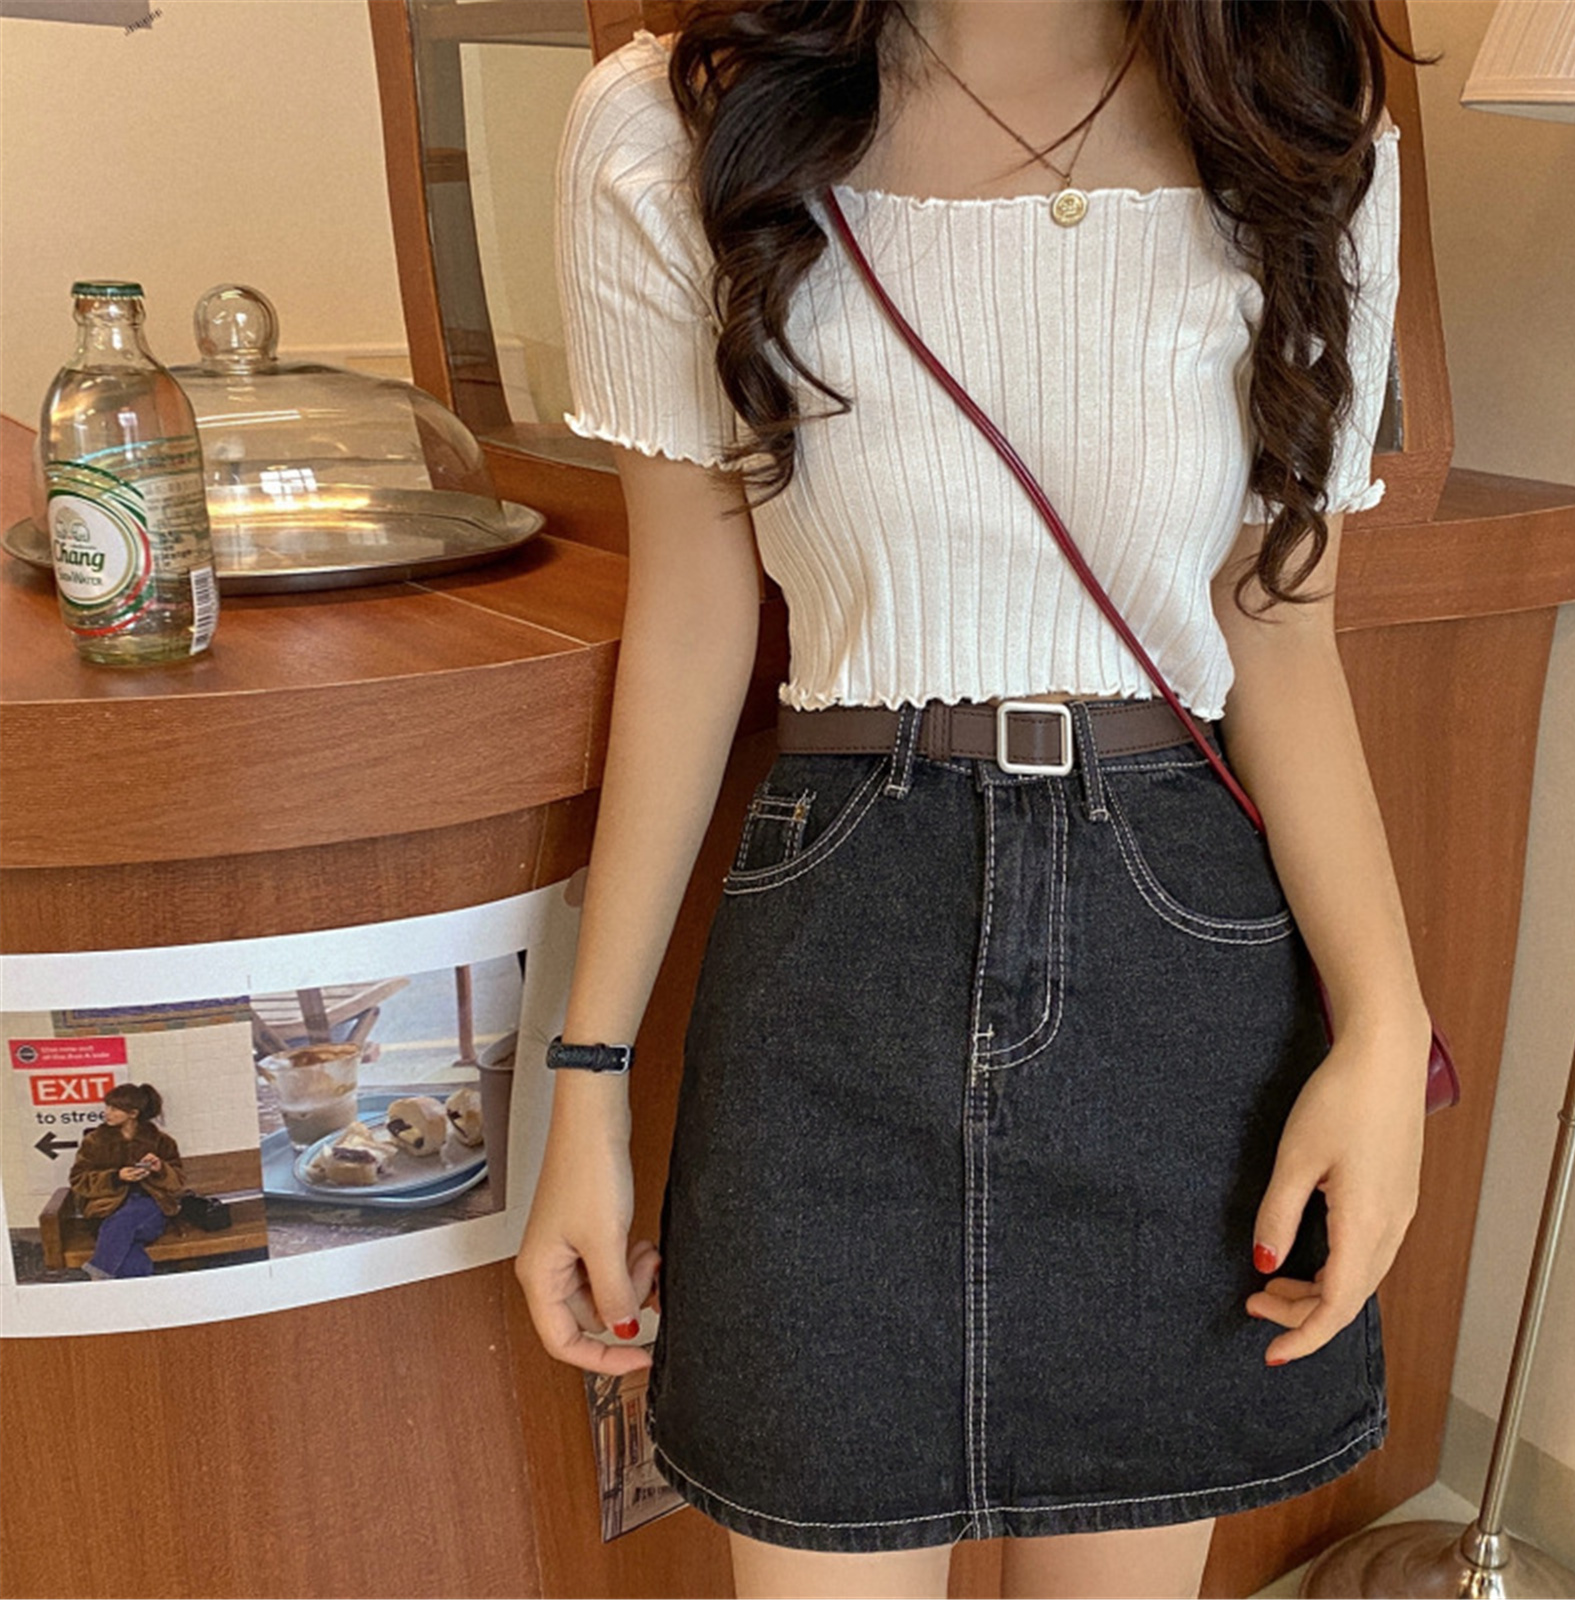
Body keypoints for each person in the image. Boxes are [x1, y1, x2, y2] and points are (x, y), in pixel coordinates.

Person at [520, 3, 1436, 1595]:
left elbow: (1282, 633)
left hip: (1181, 960)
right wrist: (587, 1084)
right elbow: (690, 624)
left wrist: (1384, 1031)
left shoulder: (1294, 122)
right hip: (840, 946)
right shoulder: (676, 127)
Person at [69, 1082, 187, 1280]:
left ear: (133, 1113)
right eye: (107, 1107)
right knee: (127, 1245)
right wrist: (116, 1177)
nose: (107, 1113)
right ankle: (137, 1290)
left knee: (122, 1224)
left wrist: (160, 1169)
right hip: (107, 1209)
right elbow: (78, 1179)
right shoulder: (95, 1141)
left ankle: (99, 1274)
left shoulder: (161, 1141)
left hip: (150, 1209)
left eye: (114, 1109)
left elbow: (178, 1182)